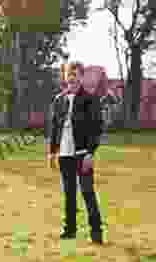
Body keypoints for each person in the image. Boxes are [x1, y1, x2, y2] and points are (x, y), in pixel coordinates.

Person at [46, 61, 104, 244]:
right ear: (65, 77)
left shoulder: (91, 99)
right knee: (69, 193)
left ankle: (96, 233)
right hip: (64, 154)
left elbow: (96, 128)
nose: (72, 77)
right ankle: (69, 230)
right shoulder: (58, 100)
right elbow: (54, 128)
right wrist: (52, 152)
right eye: (69, 74)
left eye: (76, 74)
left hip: (82, 154)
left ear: (81, 77)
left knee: (88, 192)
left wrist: (90, 153)